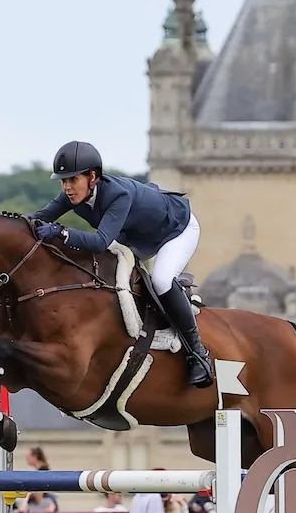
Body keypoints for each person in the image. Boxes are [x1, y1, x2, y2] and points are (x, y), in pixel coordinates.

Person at [30, 140, 214, 388]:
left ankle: (199, 354)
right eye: (63, 181)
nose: (67, 187)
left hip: (175, 229)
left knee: (160, 280)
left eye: (72, 180)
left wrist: (62, 233)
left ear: (92, 177)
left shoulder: (118, 195)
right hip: (137, 235)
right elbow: (37, 218)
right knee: (107, 270)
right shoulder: (71, 195)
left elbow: (100, 241)